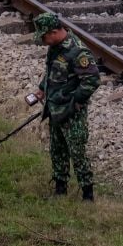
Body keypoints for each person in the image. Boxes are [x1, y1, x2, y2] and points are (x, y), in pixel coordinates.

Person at [32, 13, 100, 201]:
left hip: (72, 113)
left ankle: (87, 193)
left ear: (54, 32)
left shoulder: (78, 52)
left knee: (77, 153)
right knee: (57, 150)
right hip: (54, 110)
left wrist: (74, 101)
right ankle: (60, 187)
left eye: (44, 37)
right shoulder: (55, 48)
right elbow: (52, 71)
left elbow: (92, 81)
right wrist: (41, 89)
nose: (43, 41)